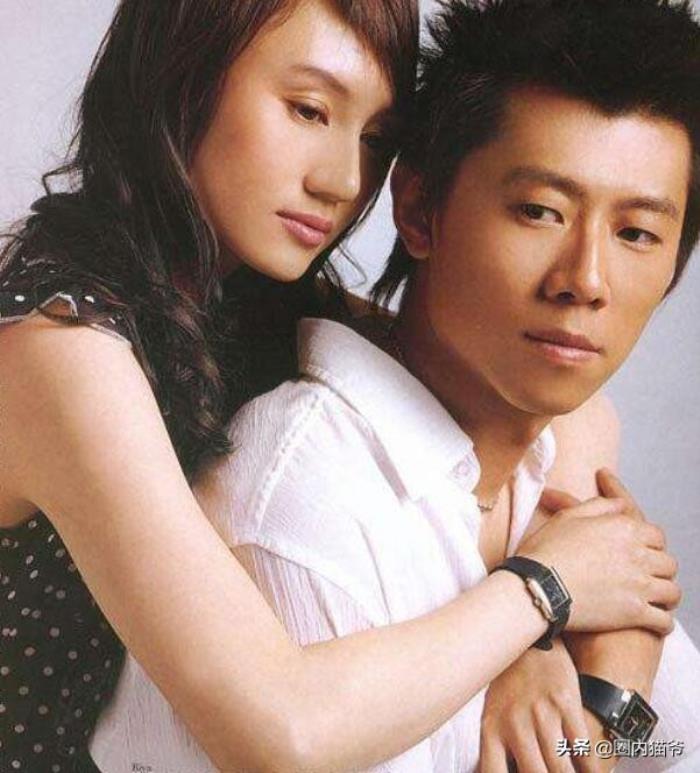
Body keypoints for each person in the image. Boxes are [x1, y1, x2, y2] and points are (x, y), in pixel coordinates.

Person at [0, 1, 680, 773]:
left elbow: (559, 397)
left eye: (375, 139)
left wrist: (540, 646)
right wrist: (542, 592)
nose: (343, 180)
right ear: (183, 74)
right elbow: (284, 731)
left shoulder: (241, 295)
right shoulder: (59, 346)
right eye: (309, 110)